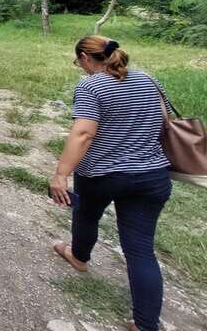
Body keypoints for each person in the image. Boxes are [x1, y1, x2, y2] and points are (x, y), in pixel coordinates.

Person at [49, 36, 172, 331]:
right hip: (152, 174)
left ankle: (79, 257)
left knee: (86, 216)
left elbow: (83, 134)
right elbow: (165, 121)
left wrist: (60, 174)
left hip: (103, 174)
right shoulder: (148, 79)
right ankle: (145, 324)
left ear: (86, 57)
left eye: (78, 61)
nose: (79, 66)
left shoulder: (91, 85)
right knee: (141, 249)